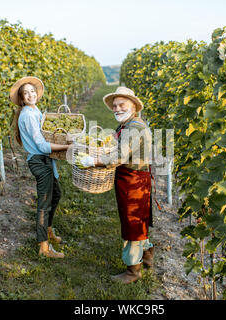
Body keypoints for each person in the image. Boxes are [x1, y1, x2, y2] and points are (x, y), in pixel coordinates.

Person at [76, 86, 155, 284]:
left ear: (134, 106)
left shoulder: (134, 128)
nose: (117, 108)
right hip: (134, 178)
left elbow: (119, 156)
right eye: (115, 106)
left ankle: (133, 270)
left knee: (132, 223)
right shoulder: (129, 125)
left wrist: (93, 161)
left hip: (133, 181)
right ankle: (147, 254)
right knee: (139, 219)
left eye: (122, 105)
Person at [10, 76, 69, 259]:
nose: (30, 95)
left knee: (56, 194)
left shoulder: (35, 111)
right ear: (21, 98)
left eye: (32, 91)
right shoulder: (27, 115)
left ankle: (48, 231)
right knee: (44, 204)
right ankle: (43, 248)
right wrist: (68, 147)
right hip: (39, 160)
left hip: (45, 160)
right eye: (26, 93)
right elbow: (42, 146)